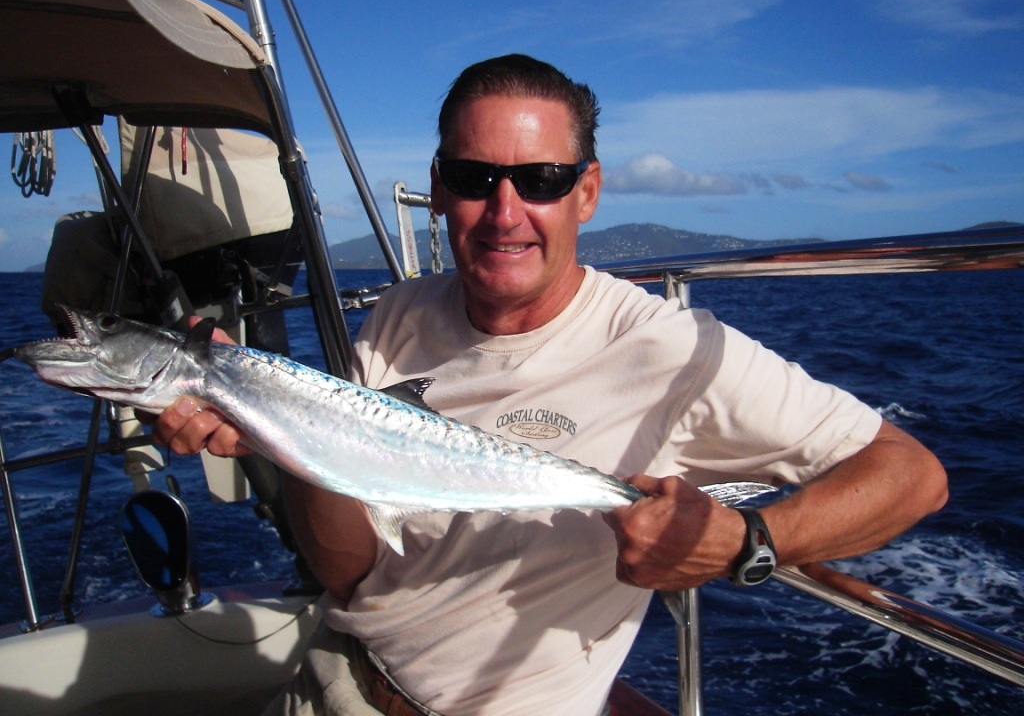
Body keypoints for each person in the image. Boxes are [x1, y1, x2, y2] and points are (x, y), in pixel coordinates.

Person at [150, 54, 948, 716]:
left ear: (587, 192)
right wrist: (286, 435)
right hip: (334, 676)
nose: (505, 212)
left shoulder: (671, 350)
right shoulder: (398, 312)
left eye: (540, 179)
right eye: (473, 176)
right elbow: (348, 573)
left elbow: (913, 475)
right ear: (437, 188)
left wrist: (750, 543)